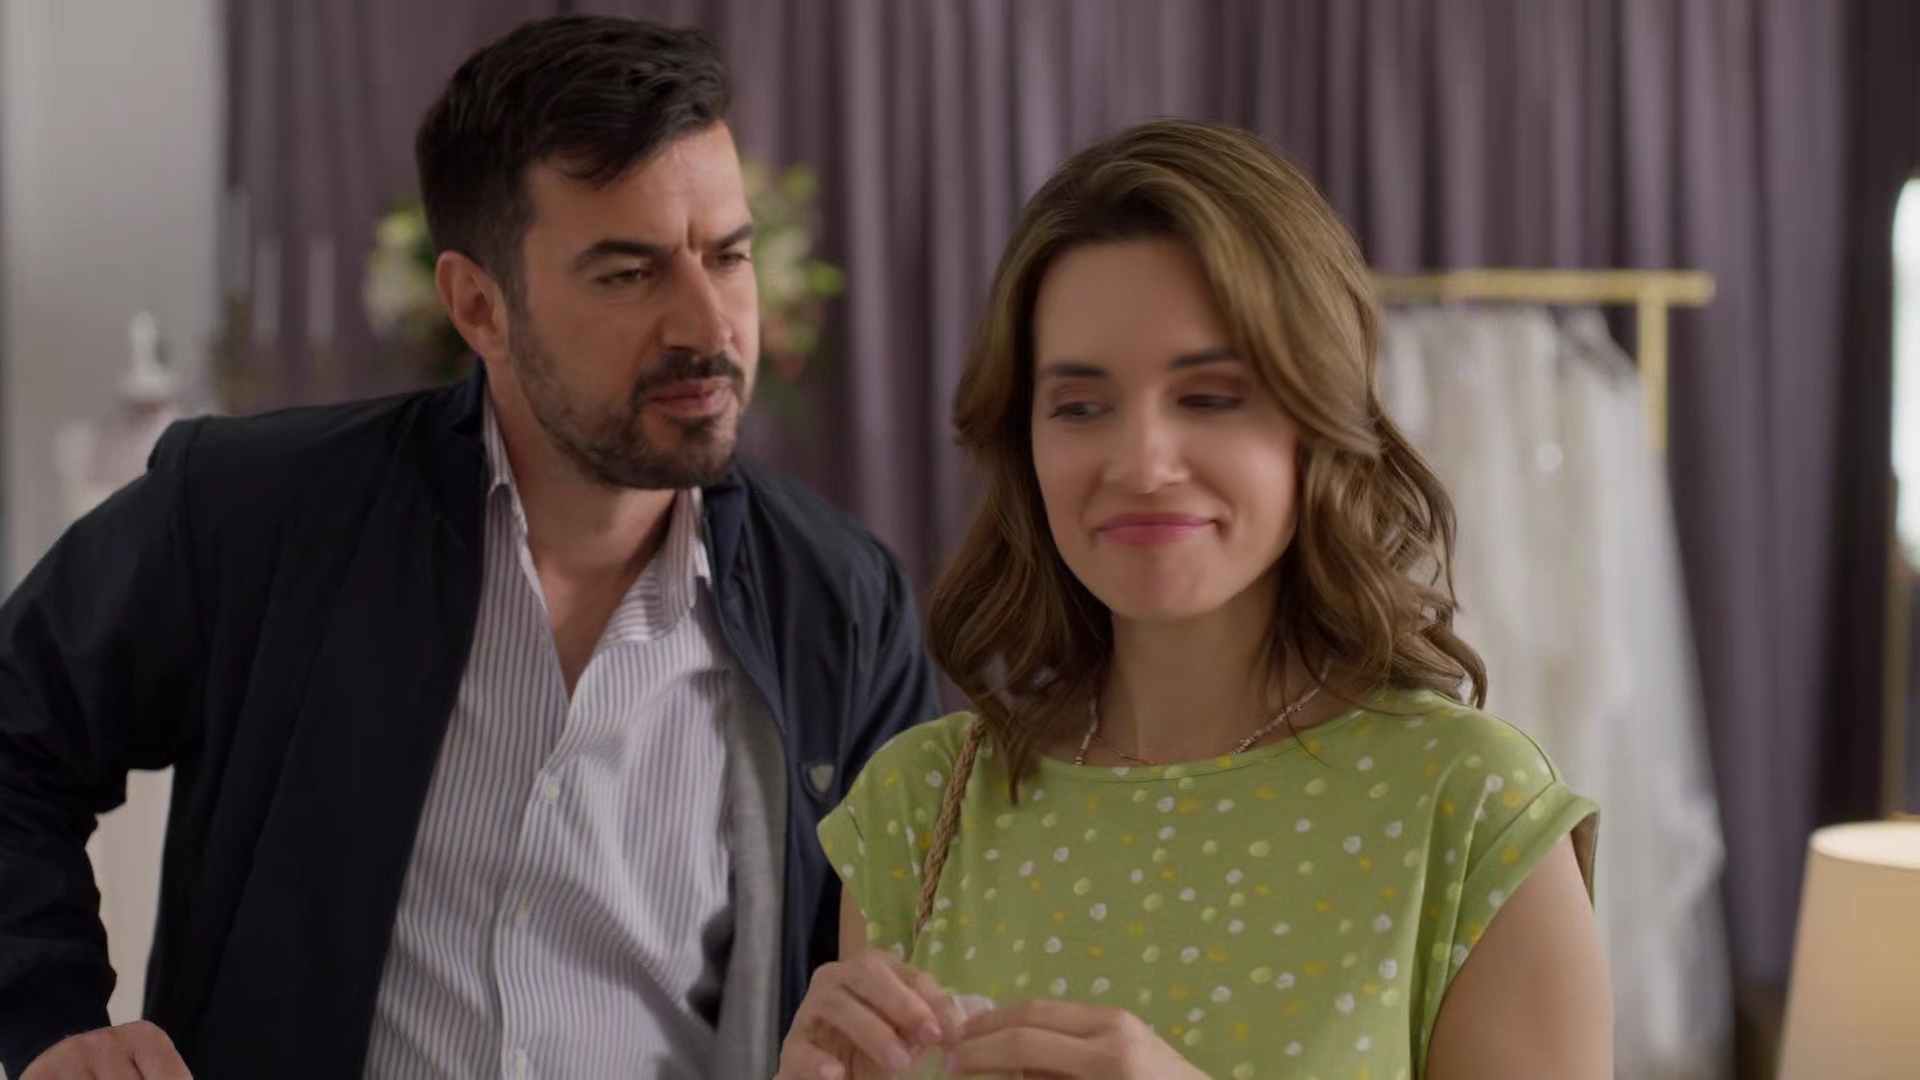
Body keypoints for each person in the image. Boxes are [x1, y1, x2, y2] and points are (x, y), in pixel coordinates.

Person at [0, 15, 937, 1080]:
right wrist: (50, 1019)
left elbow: (916, 958)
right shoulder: (253, 516)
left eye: (727, 256)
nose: (708, 326)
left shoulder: (843, 604)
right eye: (627, 274)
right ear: (478, 305)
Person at [778, 119, 1610, 1080]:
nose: (1142, 463)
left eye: (1210, 396)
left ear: (1317, 424)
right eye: (1080, 406)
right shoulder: (918, 808)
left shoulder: (1470, 812)